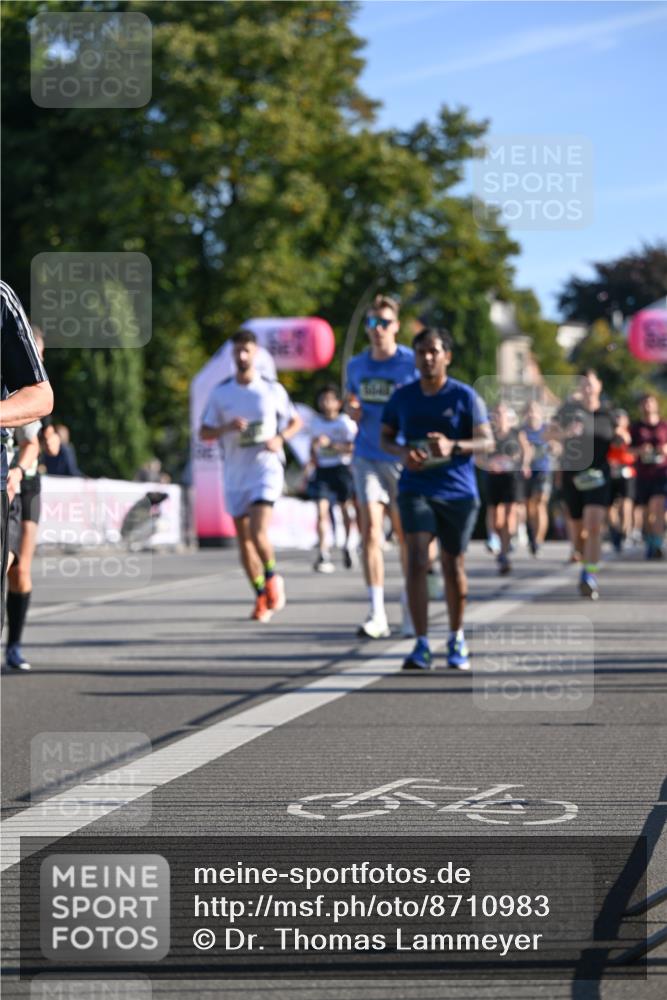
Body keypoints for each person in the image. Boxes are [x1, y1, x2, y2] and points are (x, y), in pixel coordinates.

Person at [380, 327, 493, 671]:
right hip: (416, 486)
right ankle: (421, 643)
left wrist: (452, 446)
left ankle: (456, 637)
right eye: (421, 352)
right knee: (416, 558)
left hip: (457, 491)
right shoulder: (403, 397)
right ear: (414, 358)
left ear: (447, 356)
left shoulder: (464, 396)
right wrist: (402, 453)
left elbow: (487, 441)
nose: (427, 358)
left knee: (452, 564)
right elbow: (385, 438)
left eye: (434, 351)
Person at [200, 329, 302, 622]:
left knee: (258, 531)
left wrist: (280, 439)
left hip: (265, 468)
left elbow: (295, 422)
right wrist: (226, 428)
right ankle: (260, 596)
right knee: (244, 541)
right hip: (235, 473)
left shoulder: (271, 389)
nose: (242, 356)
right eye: (237, 351)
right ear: (233, 354)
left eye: (247, 350)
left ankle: (271, 577)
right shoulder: (221, 392)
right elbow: (203, 432)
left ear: (256, 352)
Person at [346, 294, 417, 639]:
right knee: (371, 532)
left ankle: (410, 606)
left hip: (401, 456)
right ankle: (376, 612)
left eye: (384, 323)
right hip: (367, 454)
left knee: (405, 535)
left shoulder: (410, 362)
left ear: (396, 326)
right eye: (373, 323)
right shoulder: (356, 365)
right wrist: (351, 408)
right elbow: (351, 397)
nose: (378, 329)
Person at [1, 281, 52, 614]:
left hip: (21, 481)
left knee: (19, 568)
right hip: (12, 478)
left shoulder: (24, 388)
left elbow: (33, 439)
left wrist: (19, 470)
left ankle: (16, 641)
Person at [555, 370, 615, 599]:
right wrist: (565, 433)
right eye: (583, 384)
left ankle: (590, 575)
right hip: (573, 477)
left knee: (593, 526)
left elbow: (620, 435)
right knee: (579, 533)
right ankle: (583, 559)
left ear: (599, 385)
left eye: (590, 383)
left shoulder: (607, 414)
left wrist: (622, 438)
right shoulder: (568, 411)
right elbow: (548, 434)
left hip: (599, 477)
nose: (587, 388)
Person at [307, 384, 357, 573]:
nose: (326, 403)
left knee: (345, 509)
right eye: (322, 399)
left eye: (330, 399)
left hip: (341, 469)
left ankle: (348, 545)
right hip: (323, 470)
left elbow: (353, 447)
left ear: (338, 403)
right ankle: (323, 552)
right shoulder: (315, 423)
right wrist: (313, 456)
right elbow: (312, 447)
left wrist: (332, 445)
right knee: (321, 512)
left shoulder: (345, 423)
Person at [482, 403, 531, 575]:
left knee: (510, 513)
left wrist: (524, 465)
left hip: (512, 477)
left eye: (502, 414)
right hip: (494, 477)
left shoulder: (516, 433)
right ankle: (497, 539)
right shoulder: (489, 434)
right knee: (497, 517)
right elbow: (479, 455)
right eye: (496, 414)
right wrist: (488, 464)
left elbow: (527, 450)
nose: (499, 417)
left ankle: (504, 553)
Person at [631, 393, 667, 559]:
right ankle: (650, 541)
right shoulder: (636, 428)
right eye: (644, 403)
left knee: (657, 508)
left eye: (650, 402)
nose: (648, 406)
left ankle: (657, 544)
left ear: (656, 405)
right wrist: (640, 450)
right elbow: (628, 449)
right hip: (643, 474)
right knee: (646, 512)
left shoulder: (664, 426)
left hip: (661, 473)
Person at [521, 401, 553, 556]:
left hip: (543, 471)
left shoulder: (547, 430)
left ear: (540, 413)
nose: (531, 414)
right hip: (527, 473)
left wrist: (555, 447)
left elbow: (557, 445)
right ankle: (532, 536)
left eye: (534, 411)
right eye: (529, 411)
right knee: (529, 507)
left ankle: (538, 540)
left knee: (540, 504)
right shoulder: (522, 431)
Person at [607, 409, 636, 553]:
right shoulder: (608, 432)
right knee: (610, 505)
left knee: (626, 502)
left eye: (621, 417)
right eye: (616, 417)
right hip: (611, 471)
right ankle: (615, 531)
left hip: (626, 470)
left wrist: (622, 432)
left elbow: (630, 444)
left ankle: (626, 532)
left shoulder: (630, 432)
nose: (618, 420)